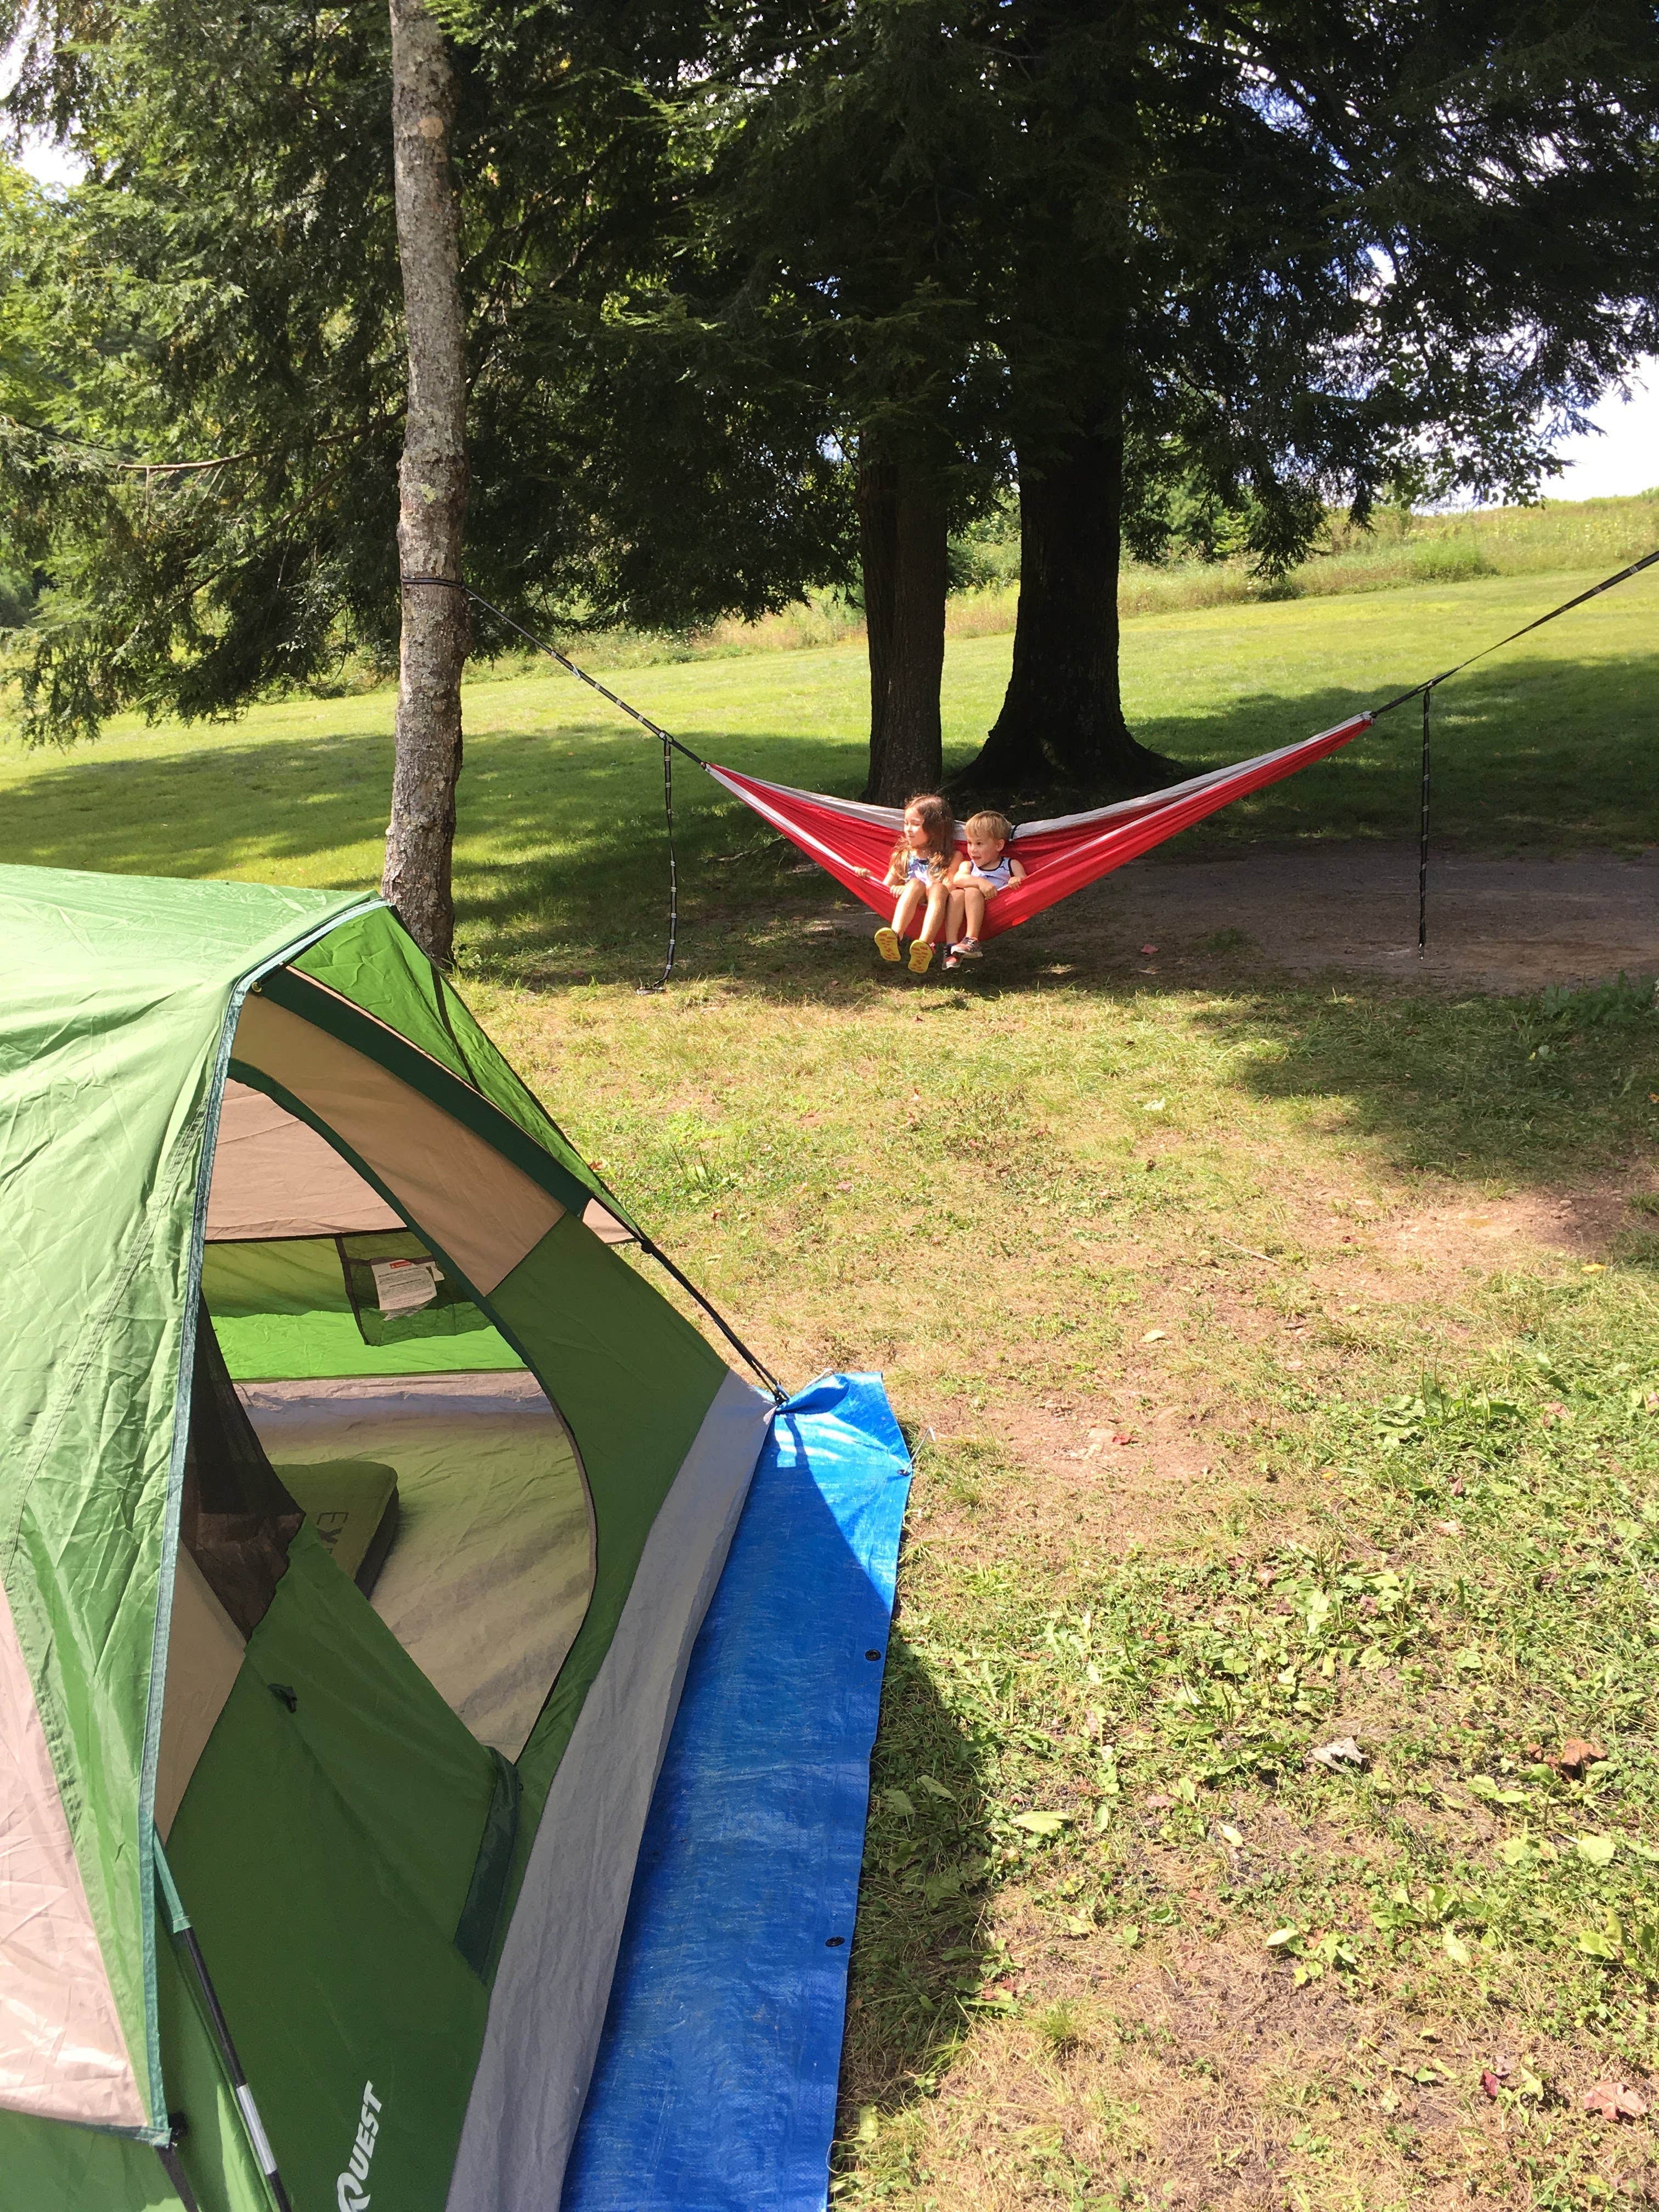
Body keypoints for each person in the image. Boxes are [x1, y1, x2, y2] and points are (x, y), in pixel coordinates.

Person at [860, 794, 956, 973]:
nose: (908, 830)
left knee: (937, 888)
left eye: (915, 824)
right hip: (912, 901)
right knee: (914, 884)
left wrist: (923, 888)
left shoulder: (951, 857)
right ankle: (895, 936)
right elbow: (884, 887)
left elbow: (950, 887)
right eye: (906, 823)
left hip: (937, 903)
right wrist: (867, 877)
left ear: (935, 828)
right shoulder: (903, 855)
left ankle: (924, 945)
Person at [944, 810, 1025, 967]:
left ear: (999, 845)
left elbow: (1026, 882)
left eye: (979, 844)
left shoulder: (1010, 865)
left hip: (997, 909)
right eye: (969, 843)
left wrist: (1016, 879)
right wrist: (981, 883)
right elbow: (958, 879)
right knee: (957, 894)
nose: (973, 849)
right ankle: (950, 947)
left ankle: (972, 940)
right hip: (966, 911)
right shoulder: (968, 865)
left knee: (972, 890)